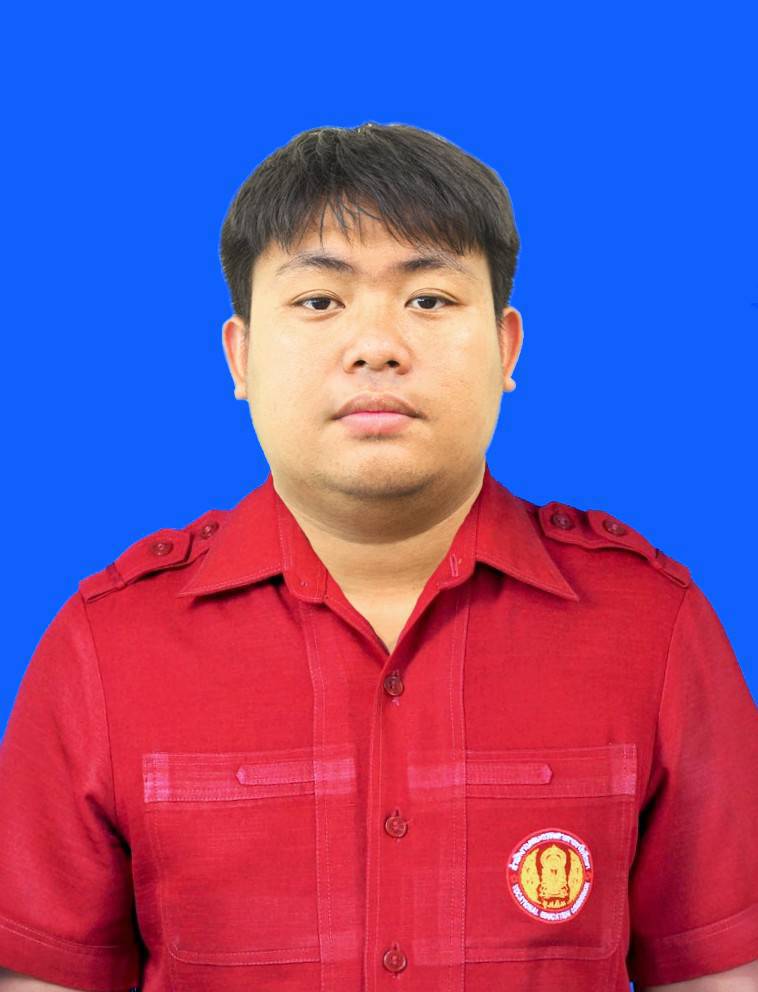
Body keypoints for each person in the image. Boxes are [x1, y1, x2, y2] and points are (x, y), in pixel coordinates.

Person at [1, 122, 756, 992]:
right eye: (320, 301)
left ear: (507, 348)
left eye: (428, 299)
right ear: (240, 356)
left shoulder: (650, 627)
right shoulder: (109, 645)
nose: (377, 345)